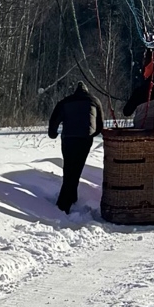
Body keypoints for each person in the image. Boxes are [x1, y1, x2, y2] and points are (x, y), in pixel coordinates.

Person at [46, 82, 102, 213]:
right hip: (85, 139)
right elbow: (100, 124)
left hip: (68, 138)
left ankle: (63, 203)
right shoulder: (94, 101)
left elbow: (54, 120)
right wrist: (92, 134)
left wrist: (52, 133)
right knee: (77, 169)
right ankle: (70, 199)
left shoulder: (66, 101)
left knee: (69, 168)